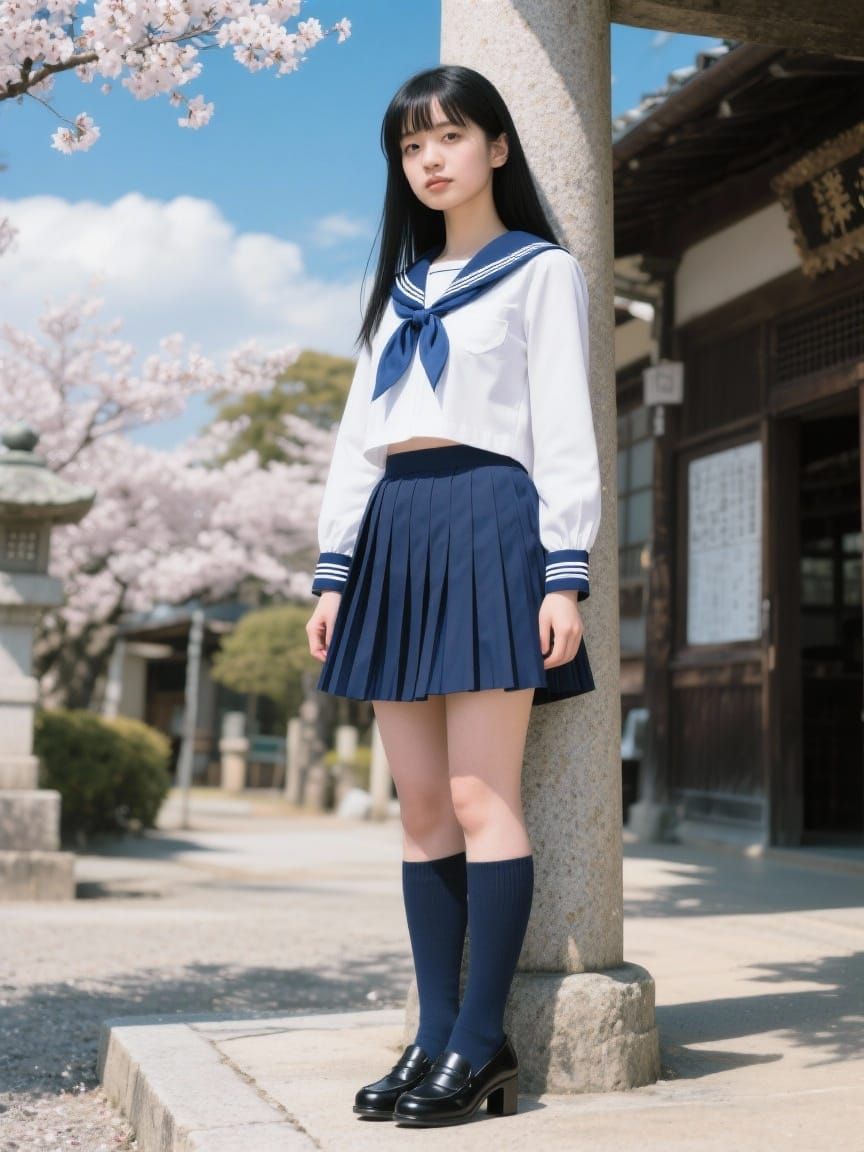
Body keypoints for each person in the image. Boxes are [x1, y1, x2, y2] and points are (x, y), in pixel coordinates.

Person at [305, 63, 601, 1128]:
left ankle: (482, 1042)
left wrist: (566, 570)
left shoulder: (540, 274)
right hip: (396, 531)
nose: (430, 159)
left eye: (450, 137)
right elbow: (357, 441)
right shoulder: (398, 290)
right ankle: (431, 1034)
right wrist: (335, 567)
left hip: (491, 523)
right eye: (410, 146)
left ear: (498, 149)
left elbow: (566, 430)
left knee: (483, 799)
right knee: (420, 807)